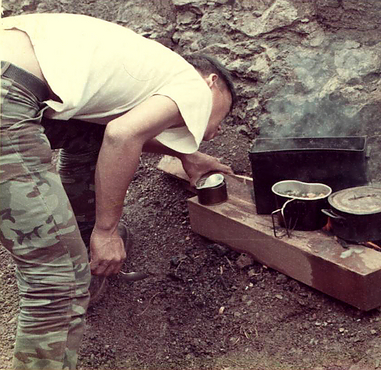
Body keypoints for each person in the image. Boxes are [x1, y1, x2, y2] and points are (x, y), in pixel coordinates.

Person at [0, 12, 236, 370]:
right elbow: (123, 135)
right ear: (212, 83)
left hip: (13, 74)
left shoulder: (134, 68)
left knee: (90, 139)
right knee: (57, 278)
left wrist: (188, 154)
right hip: (9, 94)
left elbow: (111, 131)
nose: (216, 131)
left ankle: (80, 249)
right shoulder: (194, 86)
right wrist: (107, 231)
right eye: (223, 117)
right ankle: (77, 268)